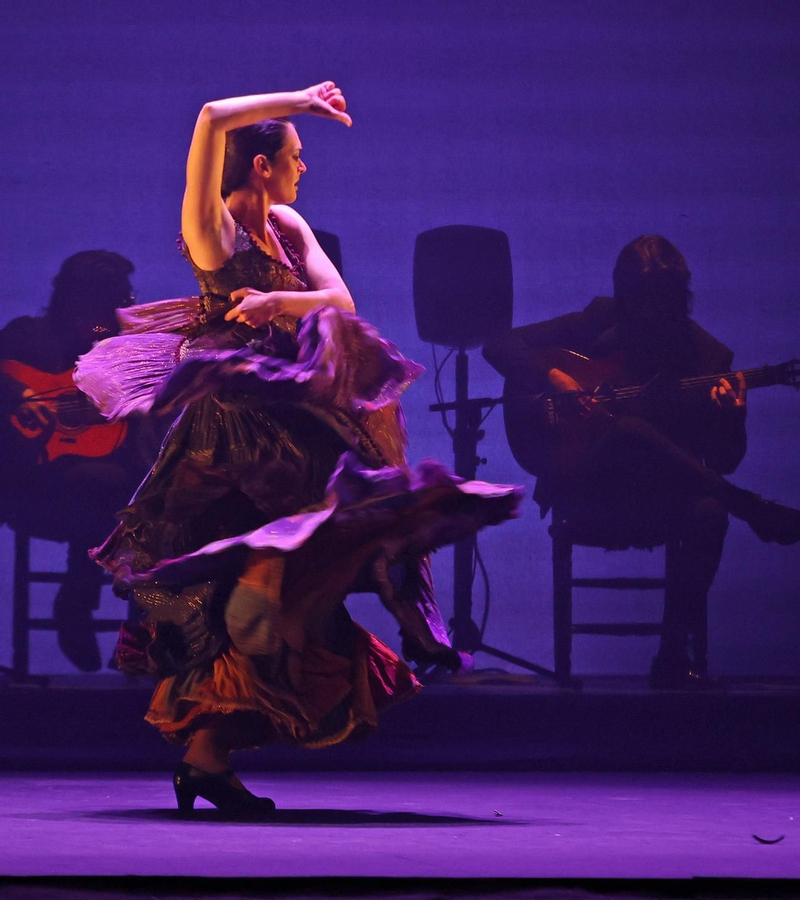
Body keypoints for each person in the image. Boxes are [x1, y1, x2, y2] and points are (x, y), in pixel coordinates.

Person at [73, 83, 520, 814]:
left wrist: (283, 303)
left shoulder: (286, 223)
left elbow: (340, 303)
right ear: (260, 165)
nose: (303, 167)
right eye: (295, 156)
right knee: (230, 586)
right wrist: (303, 102)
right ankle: (205, 740)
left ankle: (206, 756)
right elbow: (213, 116)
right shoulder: (210, 229)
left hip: (292, 424)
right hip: (230, 440)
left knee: (296, 578)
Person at [482, 235, 800, 690]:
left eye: (660, 302)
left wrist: (732, 418)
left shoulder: (708, 358)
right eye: (638, 302)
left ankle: (672, 655)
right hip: (588, 485)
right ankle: (752, 508)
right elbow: (500, 344)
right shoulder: (597, 320)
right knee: (627, 430)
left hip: (663, 494)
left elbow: (722, 460)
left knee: (710, 513)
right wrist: (553, 375)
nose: (648, 314)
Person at [0, 250, 160, 672]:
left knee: (153, 495)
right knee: (117, 492)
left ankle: (129, 624)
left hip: (107, 486)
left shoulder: (117, 352)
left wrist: (129, 408)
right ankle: (92, 607)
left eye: (123, 299)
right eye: (110, 300)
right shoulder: (27, 337)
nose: (122, 308)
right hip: (28, 484)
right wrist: (18, 396)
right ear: (79, 301)